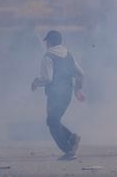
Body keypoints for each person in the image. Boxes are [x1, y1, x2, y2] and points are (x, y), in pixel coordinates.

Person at [31, 30, 84, 160]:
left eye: (47, 41)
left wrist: (35, 82)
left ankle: (69, 149)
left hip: (55, 95)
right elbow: (81, 73)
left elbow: (47, 79)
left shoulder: (48, 57)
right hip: (67, 93)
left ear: (51, 42)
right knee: (53, 120)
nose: (46, 44)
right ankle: (72, 138)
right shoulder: (69, 55)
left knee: (52, 121)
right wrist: (78, 89)